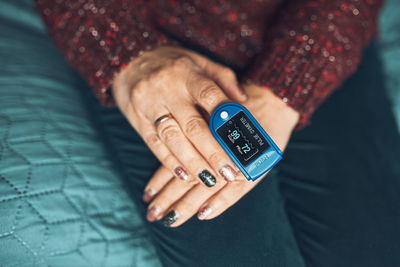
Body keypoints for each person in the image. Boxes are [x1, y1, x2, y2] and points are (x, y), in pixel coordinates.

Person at [34, 0, 400, 266]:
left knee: (372, 252)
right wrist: (130, 56)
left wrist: (287, 84)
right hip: (149, 51)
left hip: (316, 29)